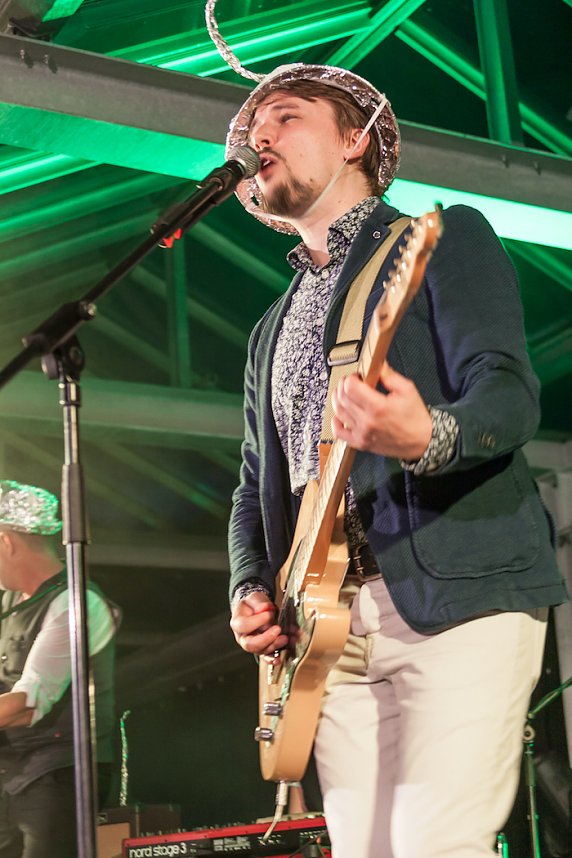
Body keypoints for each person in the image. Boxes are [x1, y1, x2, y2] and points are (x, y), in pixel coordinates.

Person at [210, 25, 568, 858]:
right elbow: (254, 483)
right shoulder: (269, 328)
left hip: (458, 595)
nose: (258, 137)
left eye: (285, 116)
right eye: (250, 131)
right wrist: (247, 588)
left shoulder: (441, 238)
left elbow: (511, 398)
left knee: (436, 846)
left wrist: (428, 433)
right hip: (323, 630)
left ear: (356, 139)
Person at [0, 479, 119, 858]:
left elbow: (29, 704)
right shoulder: (6, 603)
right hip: (11, 777)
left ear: (6, 542)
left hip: (56, 779)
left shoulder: (77, 603)